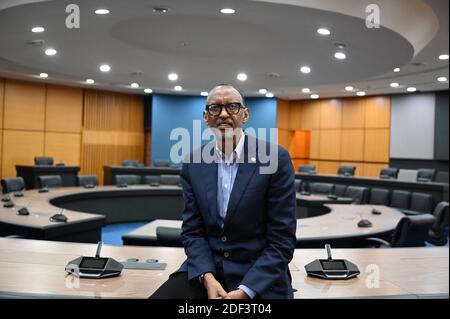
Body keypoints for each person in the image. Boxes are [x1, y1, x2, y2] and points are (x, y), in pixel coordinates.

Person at [151, 84, 297, 299]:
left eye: (232, 107)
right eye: (215, 108)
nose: (224, 114)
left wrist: (246, 291)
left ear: (245, 115)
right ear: (206, 117)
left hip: (259, 274)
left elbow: (282, 241)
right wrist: (207, 277)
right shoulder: (193, 162)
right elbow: (193, 231)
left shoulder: (275, 159)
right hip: (207, 270)